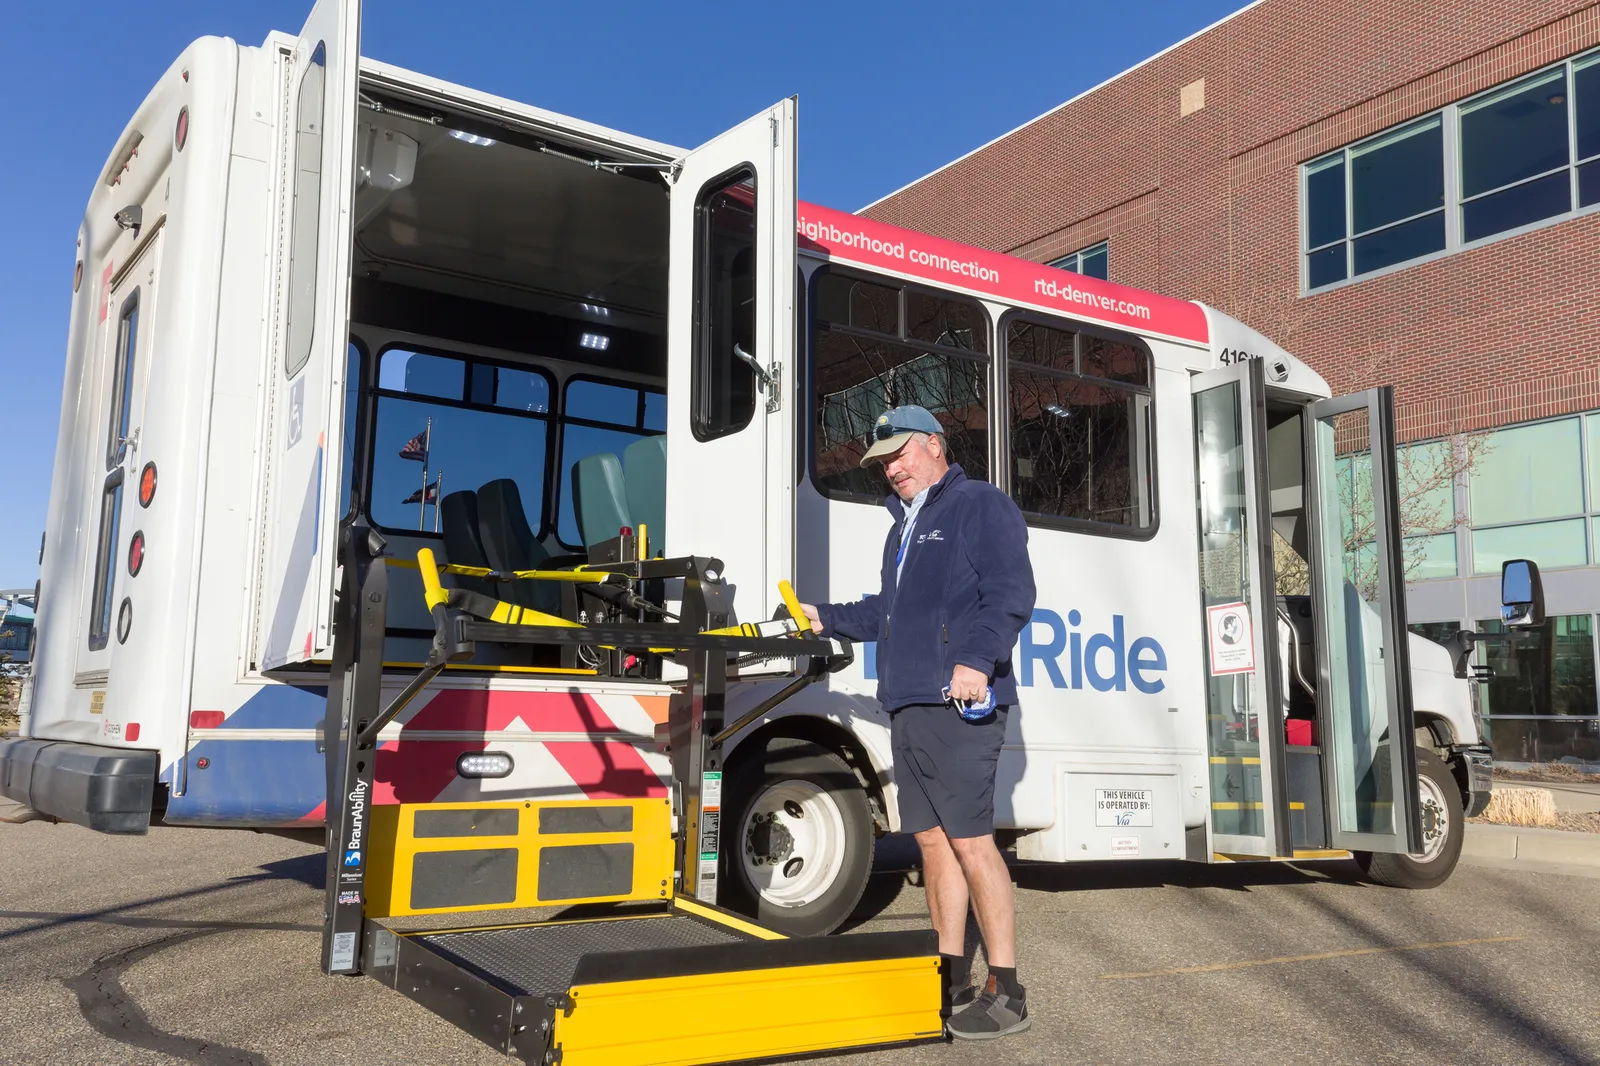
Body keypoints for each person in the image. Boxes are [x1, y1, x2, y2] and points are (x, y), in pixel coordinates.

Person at [799, 405, 1036, 1041]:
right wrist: (826, 616)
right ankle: (951, 972)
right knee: (931, 843)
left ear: (934, 444)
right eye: (883, 462)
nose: (892, 469)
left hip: (958, 701)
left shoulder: (978, 506)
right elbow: (889, 611)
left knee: (970, 841)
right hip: (907, 702)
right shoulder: (901, 528)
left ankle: (1007, 988)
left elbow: (1010, 592)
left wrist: (974, 660)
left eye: (901, 454)